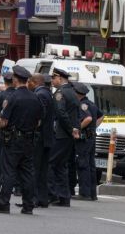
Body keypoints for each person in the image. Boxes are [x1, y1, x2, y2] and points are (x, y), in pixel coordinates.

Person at [0, 65, 43, 215]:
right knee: (27, 173)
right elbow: (39, 121)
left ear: (15, 79)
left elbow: (4, 122)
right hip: (29, 139)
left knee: (9, 172)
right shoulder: (35, 97)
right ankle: (28, 205)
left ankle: (4, 204)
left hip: (12, 140)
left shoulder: (13, 98)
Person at [48, 67, 80, 207]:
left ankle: (52, 194)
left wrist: (71, 129)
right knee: (61, 166)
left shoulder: (60, 93)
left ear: (60, 78)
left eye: (53, 78)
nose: (52, 81)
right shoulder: (73, 93)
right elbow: (77, 115)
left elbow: (61, 113)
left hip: (61, 134)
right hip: (68, 136)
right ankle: (64, 197)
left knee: (50, 163)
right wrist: (75, 129)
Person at [29, 73, 54, 207]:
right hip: (46, 137)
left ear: (34, 82)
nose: (28, 85)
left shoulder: (40, 95)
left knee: (35, 168)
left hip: (40, 137)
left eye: (29, 82)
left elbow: (40, 115)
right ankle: (42, 199)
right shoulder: (47, 93)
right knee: (43, 170)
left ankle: (32, 198)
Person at [73, 82, 100, 201]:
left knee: (82, 164)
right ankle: (92, 193)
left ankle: (84, 193)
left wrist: (78, 128)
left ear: (77, 94)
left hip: (84, 139)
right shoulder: (92, 104)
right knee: (91, 165)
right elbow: (101, 116)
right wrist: (93, 129)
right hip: (91, 137)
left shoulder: (82, 104)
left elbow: (88, 118)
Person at [0, 71, 16, 193]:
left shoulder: (0, 96)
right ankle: (13, 188)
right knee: (13, 162)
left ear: (5, 82)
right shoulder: (18, 95)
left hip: (1, 131)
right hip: (16, 132)